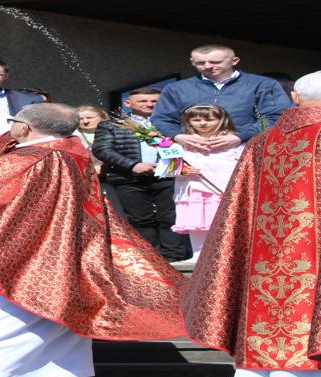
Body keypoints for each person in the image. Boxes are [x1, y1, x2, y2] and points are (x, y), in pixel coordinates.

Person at [0, 104, 186, 377]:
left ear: (25, 128)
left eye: (14, 122)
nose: (12, 128)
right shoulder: (75, 152)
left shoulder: (24, 159)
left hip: (14, 253)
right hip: (69, 253)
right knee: (59, 320)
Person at [183, 71, 321, 377]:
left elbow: (238, 210)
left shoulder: (262, 141)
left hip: (269, 259)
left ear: (295, 98)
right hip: (314, 254)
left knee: (277, 315)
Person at [92, 88, 190, 262]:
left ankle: (174, 255)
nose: (149, 104)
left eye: (154, 101)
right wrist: (133, 165)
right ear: (128, 103)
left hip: (168, 176)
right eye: (143, 101)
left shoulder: (173, 123)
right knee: (140, 218)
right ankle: (151, 258)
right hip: (128, 178)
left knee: (171, 217)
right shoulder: (112, 125)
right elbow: (102, 150)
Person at [150, 44, 291, 147]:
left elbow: (277, 116)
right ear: (192, 62)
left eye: (215, 62)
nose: (207, 66)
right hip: (191, 154)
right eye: (200, 63)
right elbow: (161, 119)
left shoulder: (262, 84)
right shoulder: (176, 88)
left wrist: (240, 137)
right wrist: (178, 136)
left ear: (234, 60)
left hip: (244, 150)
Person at [171, 105, 243, 263]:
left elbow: (244, 166)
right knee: (196, 222)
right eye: (196, 120)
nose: (203, 123)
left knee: (224, 223)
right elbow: (167, 168)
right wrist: (182, 170)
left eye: (209, 119)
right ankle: (198, 255)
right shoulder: (180, 144)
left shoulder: (234, 143)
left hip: (223, 189)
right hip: (193, 191)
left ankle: (224, 256)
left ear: (221, 120)